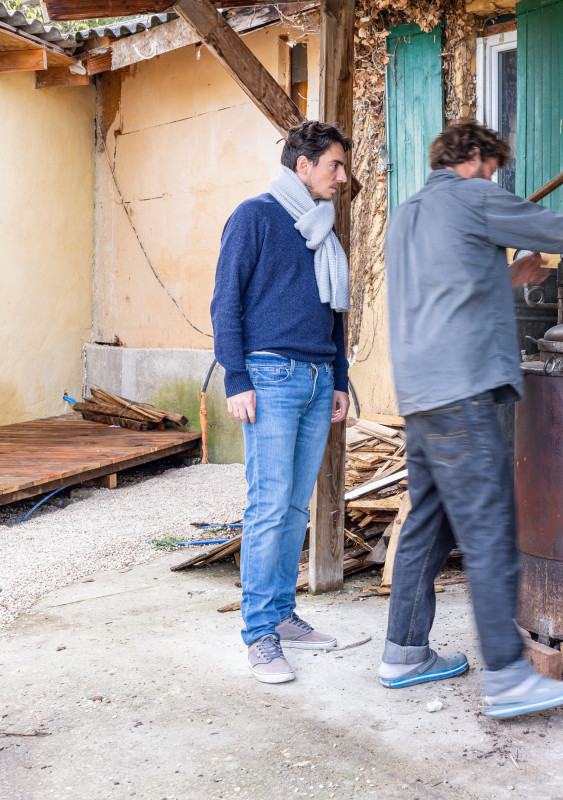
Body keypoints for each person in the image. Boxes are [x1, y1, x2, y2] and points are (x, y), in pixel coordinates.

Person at [381, 121, 563, 718]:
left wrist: (512, 277)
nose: (494, 177)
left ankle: (403, 652)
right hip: (464, 392)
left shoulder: (408, 216)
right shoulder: (469, 195)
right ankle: (507, 677)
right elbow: (548, 225)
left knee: (430, 523)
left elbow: (445, 292)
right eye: (492, 167)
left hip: (421, 396)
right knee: (492, 530)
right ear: (471, 157)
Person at [210, 121, 353, 684]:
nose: (343, 176)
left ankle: (281, 614)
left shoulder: (323, 230)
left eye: (343, 166)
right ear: (304, 166)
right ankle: (258, 636)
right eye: (334, 165)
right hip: (269, 377)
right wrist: (236, 378)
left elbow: (334, 316)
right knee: (268, 505)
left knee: (295, 507)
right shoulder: (255, 216)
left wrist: (339, 377)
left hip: (318, 379)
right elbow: (226, 303)